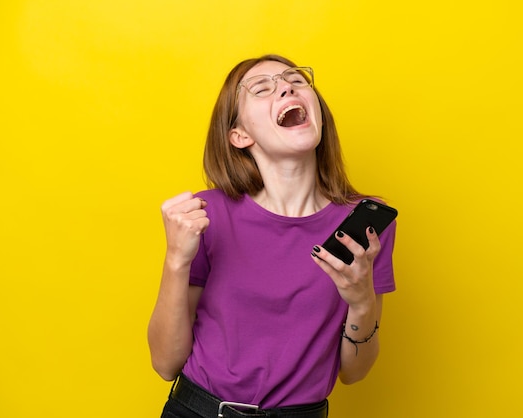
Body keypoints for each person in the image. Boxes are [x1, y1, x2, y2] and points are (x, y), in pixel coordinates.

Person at [148, 54, 397, 418]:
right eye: (263, 88)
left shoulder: (363, 223)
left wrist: (361, 302)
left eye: (296, 81)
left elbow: (355, 373)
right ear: (239, 135)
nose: (286, 87)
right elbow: (165, 364)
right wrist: (176, 259)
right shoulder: (205, 215)